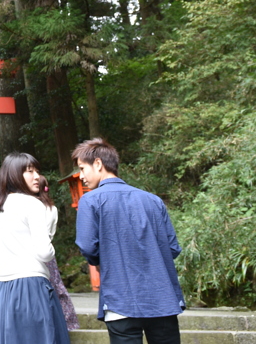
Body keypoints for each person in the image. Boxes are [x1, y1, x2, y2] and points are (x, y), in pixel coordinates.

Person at [72, 138, 185, 344]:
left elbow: (88, 246)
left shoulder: (91, 200)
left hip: (120, 298)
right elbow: (172, 248)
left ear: (98, 164)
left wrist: (108, 259)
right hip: (162, 299)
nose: (81, 176)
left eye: (82, 168)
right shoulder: (153, 200)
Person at [0, 152, 70, 344]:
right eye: (29, 171)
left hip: (5, 288)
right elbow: (45, 252)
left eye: (37, 171)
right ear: (14, 175)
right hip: (32, 286)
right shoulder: (33, 204)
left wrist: (14, 253)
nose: (36, 176)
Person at [36, 176, 79, 331]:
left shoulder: (32, 207)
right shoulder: (52, 208)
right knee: (56, 286)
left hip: (33, 252)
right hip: (48, 249)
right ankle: (67, 321)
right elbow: (51, 232)